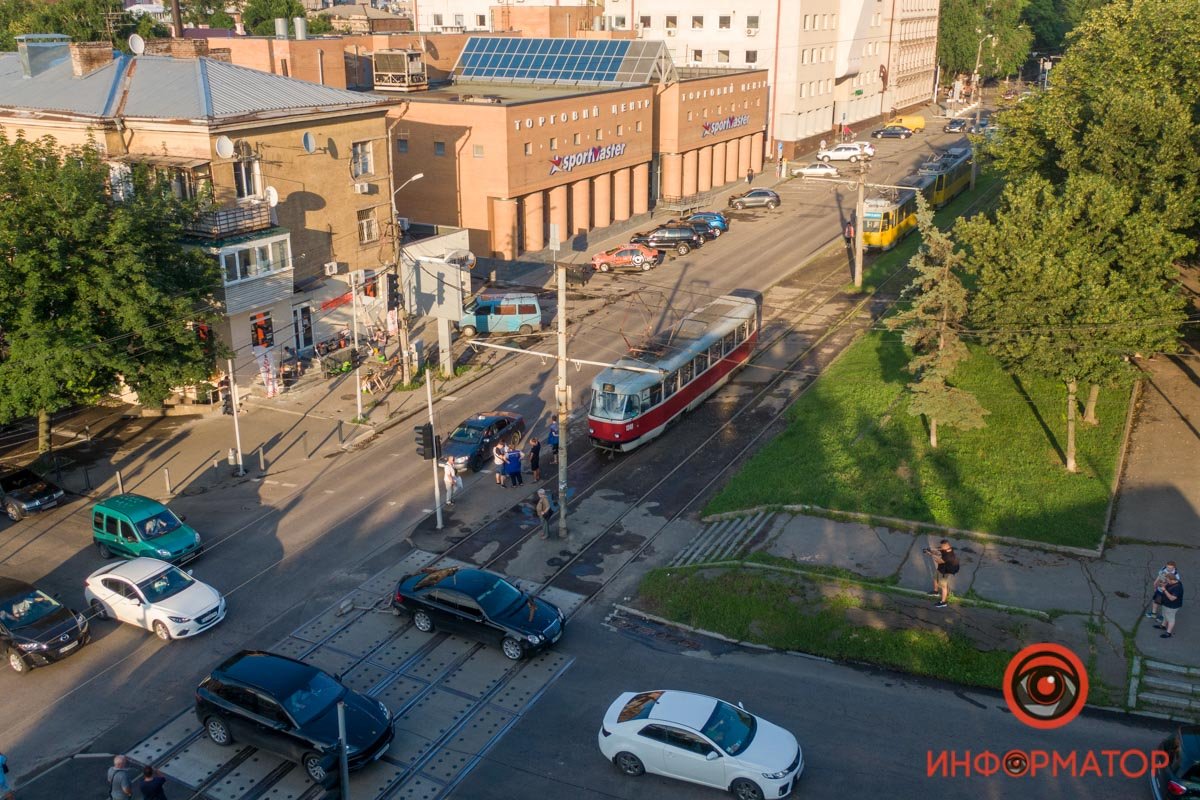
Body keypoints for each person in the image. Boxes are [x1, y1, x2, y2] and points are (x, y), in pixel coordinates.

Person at [925, 539, 959, 608]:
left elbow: (938, 561)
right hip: (941, 568)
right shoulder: (947, 548)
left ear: (946, 546)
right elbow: (939, 549)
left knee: (943, 586)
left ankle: (943, 602)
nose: (941, 547)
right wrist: (931, 549)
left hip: (945, 571)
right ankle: (936, 591)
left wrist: (930, 554)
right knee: (935, 578)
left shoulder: (948, 556)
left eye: (942, 546)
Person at [1155, 574, 1183, 639]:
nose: (1166, 581)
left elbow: (1172, 598)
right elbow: (1166, 585)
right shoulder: (1173, 582)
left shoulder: (1177, 588)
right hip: (1166, 604)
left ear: (1172, 580)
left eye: (1167, 580)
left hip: (1172, 606)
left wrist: (1164, 590)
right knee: (1165, 615)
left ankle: (1168, 633)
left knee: (1170, 619)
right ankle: (1163, 626)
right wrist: (1162, 584)